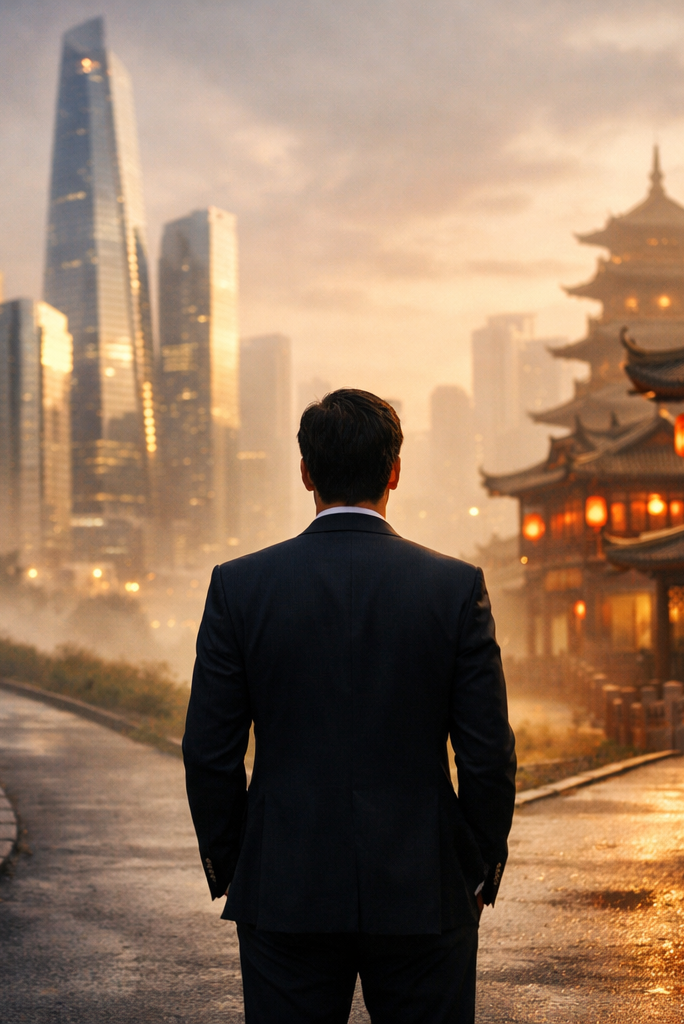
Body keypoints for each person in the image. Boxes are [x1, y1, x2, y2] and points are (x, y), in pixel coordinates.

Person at [183, 388, 517, 1023]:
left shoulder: (240, 586)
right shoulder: (454, 588)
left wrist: (237, 864)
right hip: (426, 886)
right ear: (395, 472)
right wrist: (475, 870)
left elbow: (208, 751)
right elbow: (487, 754)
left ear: (306, 472)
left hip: (284, 883)